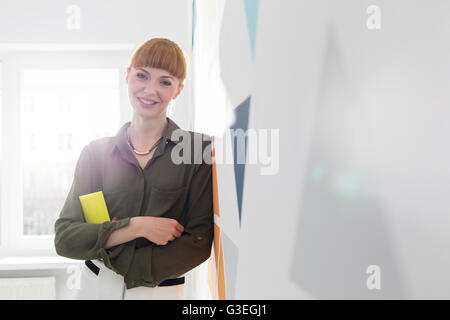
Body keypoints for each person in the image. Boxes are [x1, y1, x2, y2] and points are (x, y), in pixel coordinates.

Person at [54, 38, 213, 300]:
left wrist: (115, 254)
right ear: (127, 76)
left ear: (178, 90)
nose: (150, 90)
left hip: (159, 291)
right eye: (142, 76)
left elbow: (198, 243)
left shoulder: (197, 151)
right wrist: (138, 226)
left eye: (165, 81)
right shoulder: (95, 154)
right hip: (95, 286)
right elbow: (66, 237)